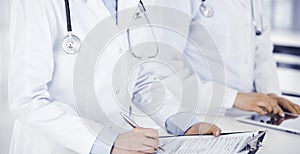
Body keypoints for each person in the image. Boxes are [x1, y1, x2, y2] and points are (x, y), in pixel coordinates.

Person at [9, 0, 221, 154]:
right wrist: (105, 143)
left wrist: (185, 124)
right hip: (54, 146)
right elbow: (27, 100)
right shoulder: (34, 3)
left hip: (124, 144)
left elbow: (141, 80)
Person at [178, 0, 300, 116]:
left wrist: (270, 95)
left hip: (247, 114)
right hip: (198, 113)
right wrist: (233, 98)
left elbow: (262, 51)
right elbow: (166, 67)